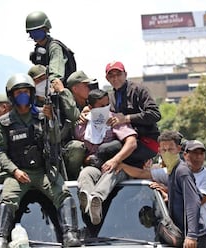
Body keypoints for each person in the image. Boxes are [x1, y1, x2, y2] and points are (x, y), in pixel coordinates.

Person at [0, 73, 80, 247]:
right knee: (7, 199)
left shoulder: (42, 115)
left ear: (32, 93)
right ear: (11, 96)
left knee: (63, 193)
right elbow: (0, 152)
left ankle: (70, 234)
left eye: (26, 91)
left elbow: (55, 140)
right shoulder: (4, 122)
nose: (23, 95)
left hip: (43, 171)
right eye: (18, 93)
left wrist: (51, 120)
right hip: (18, 173)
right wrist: (15, 171)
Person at [76, 89, 138, 225]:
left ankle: (96, 199)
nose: (105, 109)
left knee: (112, 171)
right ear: (91, 107)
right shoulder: (83, 124)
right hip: (96, 167)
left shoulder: (114, 119)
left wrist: (115, 160)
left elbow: (132, 143)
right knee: (85, 173)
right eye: (101, 106)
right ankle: (86, 200)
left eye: (107, 105)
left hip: (118, 166)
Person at [28, 64, 84, 180]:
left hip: (63, 147)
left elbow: (74, 116)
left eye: (44, 78)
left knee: (77, 147)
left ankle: (73, 180)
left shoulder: (61, 96)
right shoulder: (29, 104)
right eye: (38, 80)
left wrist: (62, 92)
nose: (42, 82)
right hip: (42, 149)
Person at [105, 61, 161, 164]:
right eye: (111, 76)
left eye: (118, 74)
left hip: (147, 141)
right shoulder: (109, 96)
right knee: (103, 151)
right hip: (124, 141)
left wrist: (126, 118)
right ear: (107, 79)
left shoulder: (138, 90)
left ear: (125, 74)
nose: (115, 78)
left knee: (112, 153)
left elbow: (155, 114)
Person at [158, 130, 206, 248]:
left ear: (179, 149)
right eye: (164, 150)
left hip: (191, 239)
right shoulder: (171, 171)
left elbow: (193, 202)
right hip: (179, 236)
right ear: (159, 151)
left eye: (170, 149)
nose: (167, 153)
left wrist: (192, 235)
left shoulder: (182, 171)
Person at [183, 140, 206, 248]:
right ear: (185, 155)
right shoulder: (178, 174)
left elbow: (197, 201)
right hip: (182, 233)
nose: (198, 157)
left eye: (201, 153)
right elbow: (149, 174)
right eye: (195, 153)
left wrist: (168, 194)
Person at [26, 11, 76, 86]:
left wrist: (53, 82)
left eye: (37, 31)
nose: (34, 35)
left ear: (45, 29)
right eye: (31, 32)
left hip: (61, 88)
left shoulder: (55, 47)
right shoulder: (38, 49)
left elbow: (56, 74)